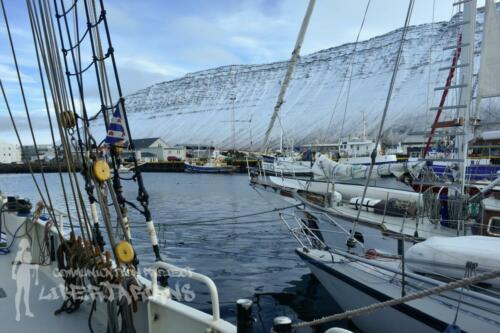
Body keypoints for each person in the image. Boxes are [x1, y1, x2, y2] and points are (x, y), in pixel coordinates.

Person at [12, 238, 38, 322]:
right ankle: (18, 313)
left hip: (27, 275)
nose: (24, 245)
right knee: (19, 292)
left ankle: (27, 310)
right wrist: (13, 273)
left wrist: (34, 268)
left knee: (26, 293)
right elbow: (16, 263)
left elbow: (28, 265)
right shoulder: (19, 253)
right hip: (20, 274)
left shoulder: (29, 254)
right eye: (23, 244)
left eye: (25, 244)